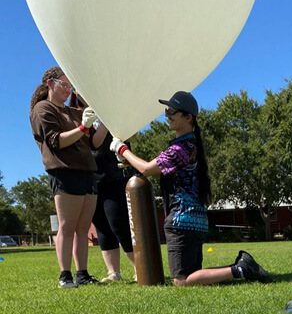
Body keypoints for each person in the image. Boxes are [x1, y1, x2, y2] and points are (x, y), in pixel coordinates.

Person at [110, 91, 272, 286]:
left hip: (181, 221)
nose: (167, 115)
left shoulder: (180, 149)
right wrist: (126, 159)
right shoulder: (190, 146)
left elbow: (147, 168)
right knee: (193, 274)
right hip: (195, 221)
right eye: (166, 110)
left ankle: (241, 269)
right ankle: (241, 266)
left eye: (172, 111)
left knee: (181, 280)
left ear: (188, 117)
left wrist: (122, 149)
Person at [30, 67, 104, 287]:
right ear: (49, 84)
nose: (68, 89)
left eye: (69, 85)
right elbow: (56, 141)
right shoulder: (43, 109)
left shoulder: (74, 111)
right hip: (64, 170)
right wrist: (83, 126)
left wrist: (107, 122)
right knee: (67, 226)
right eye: (64, 84)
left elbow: (94, 143)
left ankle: (82, 274)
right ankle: (65, 276)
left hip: (88, 170)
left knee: (83, 227)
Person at [90, 122, 136, 282]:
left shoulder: (113, 110)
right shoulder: (78, 113)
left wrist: (106, 121)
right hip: (93, 177)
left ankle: (140, 268)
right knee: (101, 225)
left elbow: (132, 135)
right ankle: (113, 273)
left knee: (119, 222)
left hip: (117, 175)